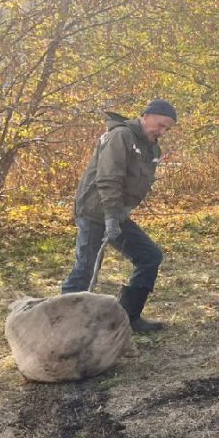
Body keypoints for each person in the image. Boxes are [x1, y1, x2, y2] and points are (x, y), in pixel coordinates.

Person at [60, 99, 177, 333]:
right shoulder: (121, 136)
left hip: (116, 213)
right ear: (146, 115)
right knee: (87, 266)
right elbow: (108, 178)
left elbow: (136, 183)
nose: (162, 131)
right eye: (160, 124)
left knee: (149, 256)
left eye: (167, 128)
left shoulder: (151, 147)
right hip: (95, 211)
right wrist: (111, 217)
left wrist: (120, 214)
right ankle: (64, 328)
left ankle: (128, 319)